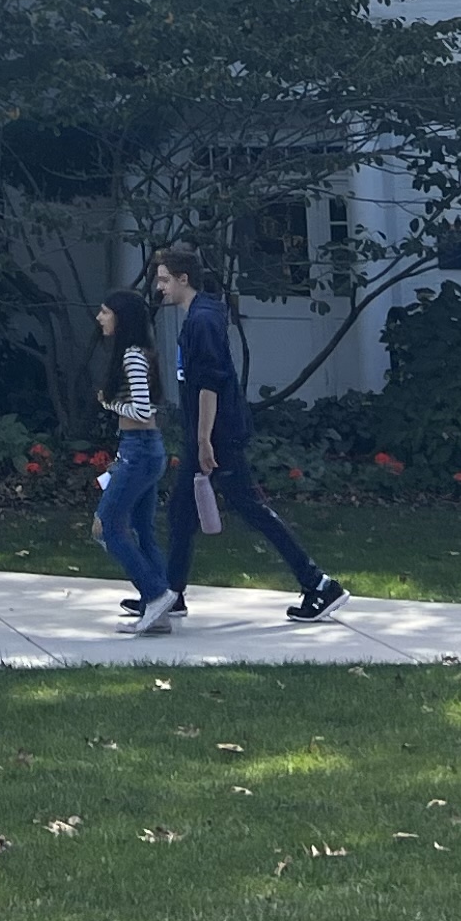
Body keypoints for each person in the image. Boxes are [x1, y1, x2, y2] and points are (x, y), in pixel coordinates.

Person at [150, 242, 346, 631]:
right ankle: (171, 594)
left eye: (164, 280)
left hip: (218, 435)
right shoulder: (199, 315)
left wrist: (205, 441)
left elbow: (210, 386)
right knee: (180, 513)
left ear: (183, 279)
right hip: (205, 433)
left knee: (250, 507)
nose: (160, 288)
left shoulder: (202, 322)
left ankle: (319, 584)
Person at [89, 289, 169, 627]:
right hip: (143, 449)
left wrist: (108, 403)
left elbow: (142, 408)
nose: (100, 318)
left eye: (105, 312)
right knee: (141, 529)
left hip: (138, 450)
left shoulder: (132, 357)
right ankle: (162, 603)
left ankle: (155, 594)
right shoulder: (139, 353)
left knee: (107, 526)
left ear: (122, 319)